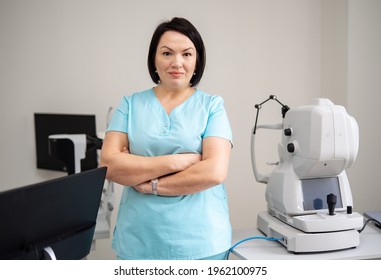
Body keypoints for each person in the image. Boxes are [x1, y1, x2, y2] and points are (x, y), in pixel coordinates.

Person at [100, 17, 233, 260]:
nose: (177, 62)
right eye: (167, 53)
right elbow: (109, 165)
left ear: (197, 60)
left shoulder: (212, 106)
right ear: (154, 58)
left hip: (201, 244)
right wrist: (178, 162)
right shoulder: (130, 105)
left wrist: (151, 184)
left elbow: (214, 171)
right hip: (138, 241)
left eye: (187, 54)